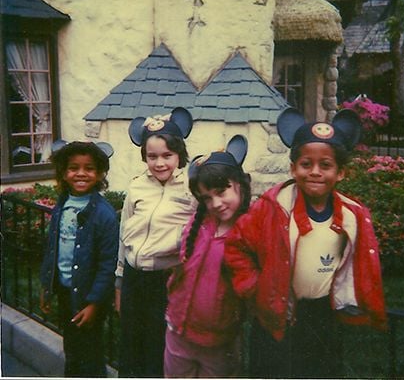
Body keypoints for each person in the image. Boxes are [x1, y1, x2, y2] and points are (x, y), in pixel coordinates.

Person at [225, 108, 387, 379]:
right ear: (293, 168)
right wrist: (255, 287)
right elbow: (236, 247)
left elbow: (359, 260)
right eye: (306, 164)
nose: (314, 172)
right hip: (278, 312)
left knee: (319, 370)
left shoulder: (352, 215)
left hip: (324, 314)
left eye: (325, 165)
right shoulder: (271, 208)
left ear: (341, 173)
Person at [116, 107, 197, 377]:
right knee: (130, 346)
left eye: (167, 155)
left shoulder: (192, 187)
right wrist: (119, 278)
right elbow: (124, 232)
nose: (159, 163)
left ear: (179, 155)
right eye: (152, 156)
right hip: (133, 278)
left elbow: (200, 234)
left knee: (159, 349)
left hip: (167, 280)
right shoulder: (137, 185)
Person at [164, 135, 251, 378]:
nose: (216, 203)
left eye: (221, 191)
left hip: (219, 342)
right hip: (178, 332)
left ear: (240, 184)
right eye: (207, 198)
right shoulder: (199, 222)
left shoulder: (250, 230)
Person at [40, 140, 119, 377]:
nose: (81, 173)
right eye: (74, 168)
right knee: (72, 349)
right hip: (66, 292)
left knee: (90, 355)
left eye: (89, 168)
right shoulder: (62, 205)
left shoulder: (104, 215)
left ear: (99, 174)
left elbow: (107, 265)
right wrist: (47, 286)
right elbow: (52, 249)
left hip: (88, 297)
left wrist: (94, 303)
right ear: (64, 173)